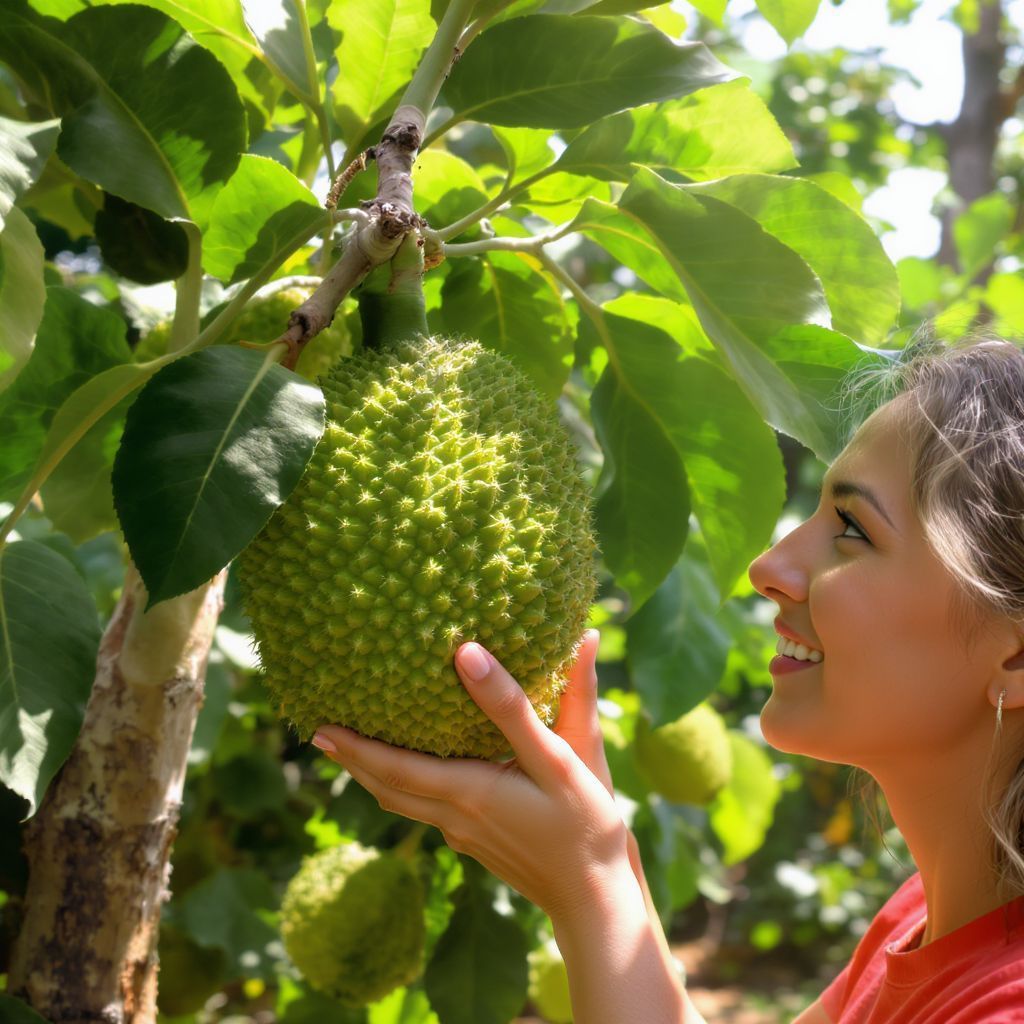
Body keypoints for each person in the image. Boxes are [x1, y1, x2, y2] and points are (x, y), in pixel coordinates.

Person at [310, 336, 1024, 1023]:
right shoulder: (920, 919)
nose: (767, 568)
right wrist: (598, 858)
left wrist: (588, 885)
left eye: (853, 529)